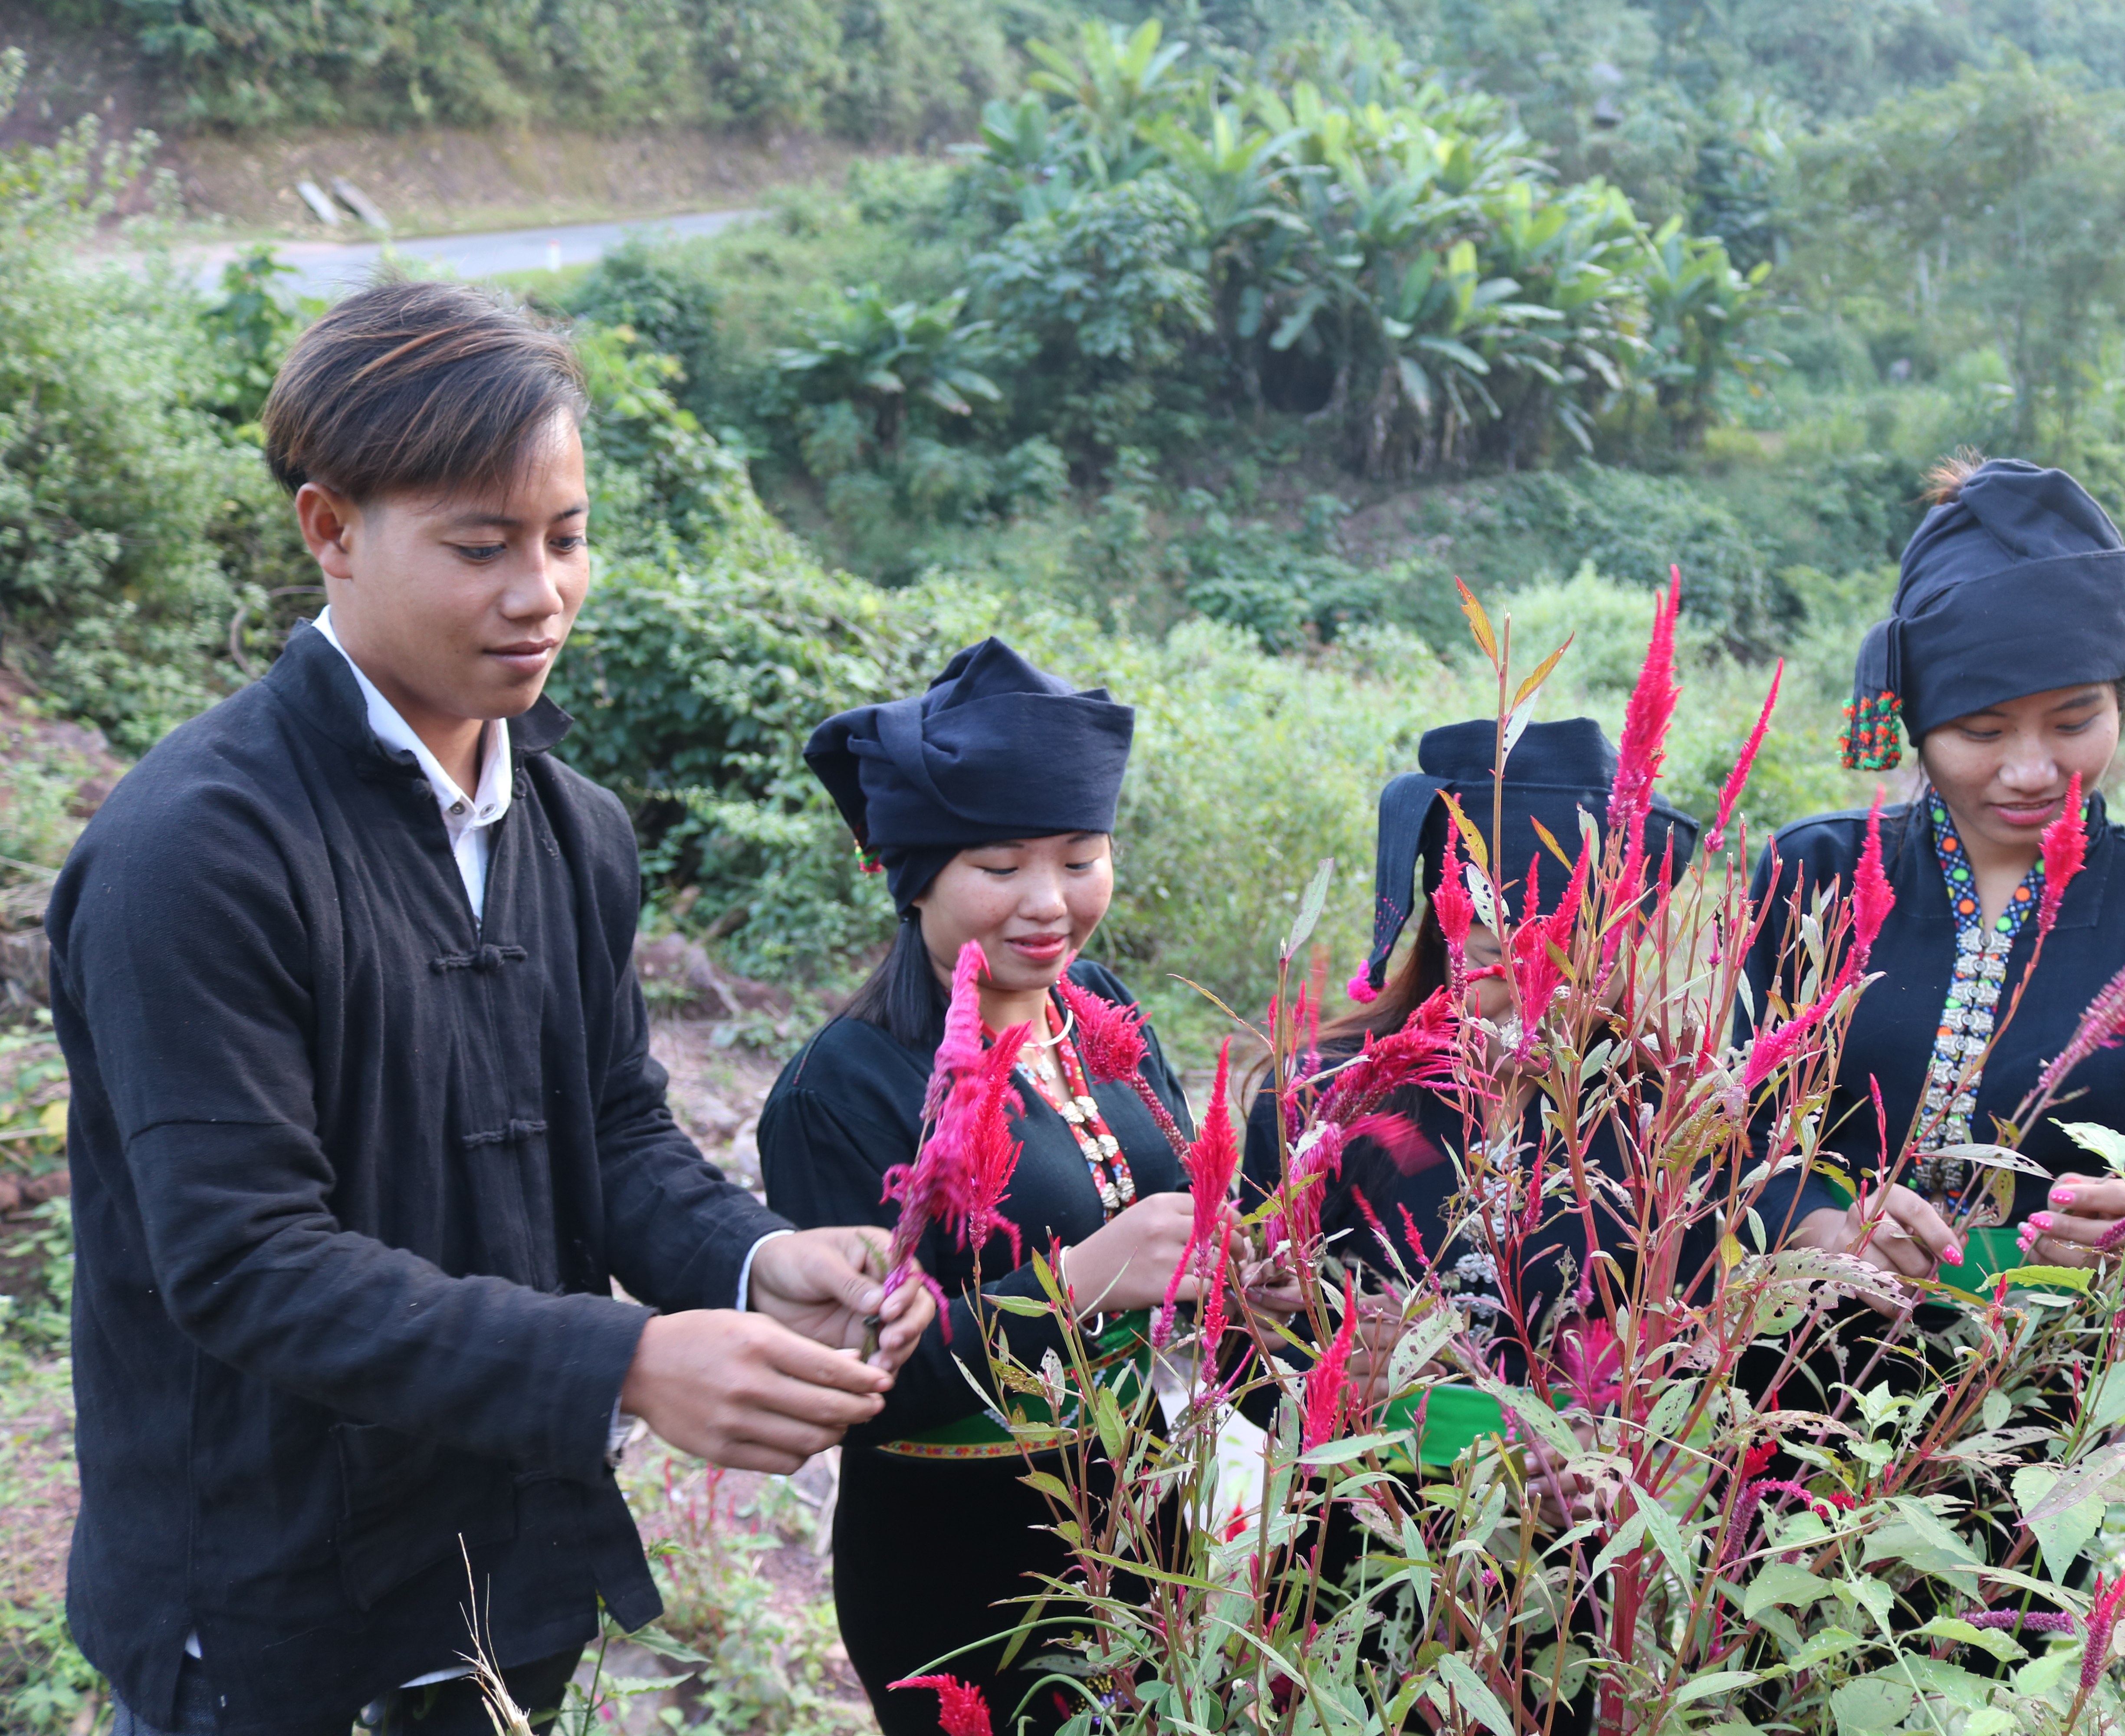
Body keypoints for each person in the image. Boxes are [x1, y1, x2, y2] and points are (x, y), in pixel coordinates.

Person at [49, 280, 935, 1736]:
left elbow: (615, 1134)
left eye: (567, 537)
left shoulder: (571, 831)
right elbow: (245, 1261)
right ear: (330, 528)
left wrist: (752, 1264)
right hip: (275, 1611)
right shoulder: (196, 851)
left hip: (508, 1573)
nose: (541, 594)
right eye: (481, 546)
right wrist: (630, 1362)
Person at [758, 640, 1216, 1736]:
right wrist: (1082, 1280)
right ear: (916, 875)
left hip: (1140, 1519)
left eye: (1081, 857)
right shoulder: (843, 1088)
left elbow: (1182, 1204)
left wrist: (1232, 1267)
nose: (1049, 902)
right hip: (959, 1566)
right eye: (1001, 866)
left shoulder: (1096, 1003)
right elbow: (852, 1382)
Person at [1738, 454, 2125, 1286]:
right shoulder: (1816, 873)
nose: (2033, 771)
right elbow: (1722, 1123)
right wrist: (1813, 1223)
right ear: (1914, 724)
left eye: (2075, 721)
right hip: (1787, 1378)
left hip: (2051, 1389)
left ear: (2121, 703)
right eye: (1982, 733)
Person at [1242, 716, 1703, 1478]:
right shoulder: (1322, 1093)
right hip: (1361, 1519)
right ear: (1444, 940)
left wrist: (1607, 1451)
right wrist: (1328, 1373)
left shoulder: (1667, 1118)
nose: (1539, 1000)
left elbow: (1698, 1351)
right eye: (1495, 959)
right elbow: (1244, 1343)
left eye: (1580, 966)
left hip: (1573, 1544)